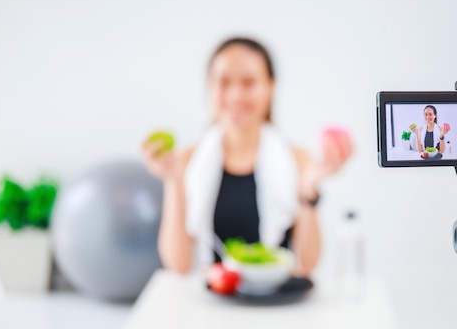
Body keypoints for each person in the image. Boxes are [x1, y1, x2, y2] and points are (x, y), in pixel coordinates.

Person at [140, 37, 353, 277]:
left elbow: (307, 263)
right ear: (209, 87)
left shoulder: (298, 159)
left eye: (249, 82)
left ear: (270, 87)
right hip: (212, 301)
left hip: (276, 304)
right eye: (223, 82)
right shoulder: (188, 159)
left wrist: (309, 187)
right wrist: (174, 180)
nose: (235, 95)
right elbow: (178, 265)